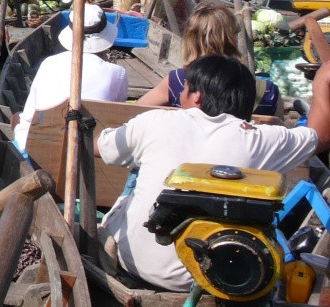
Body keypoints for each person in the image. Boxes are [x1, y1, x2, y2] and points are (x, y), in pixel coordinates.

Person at [98, 54, 330, 290]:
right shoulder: (262, 140)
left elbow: (100, 148)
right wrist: (321, 80)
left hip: (135, 266)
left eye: (185, 88)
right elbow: (322, 135)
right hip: (215, 277)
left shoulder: (154, 121)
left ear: (197, 96)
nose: (180, 95)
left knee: (134, 180)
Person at [13, 4, 128, 150]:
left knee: (16, 118)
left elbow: (28, 116)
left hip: (38, 148)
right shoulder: (118, 73)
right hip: (92, 152)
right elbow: (116, 120)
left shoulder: (48, 63)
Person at [136, 5, 281, 117]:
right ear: (233, 39)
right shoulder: (269, 92)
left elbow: (133, 112)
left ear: (190, 40)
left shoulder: (178, 81)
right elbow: (280, 132)